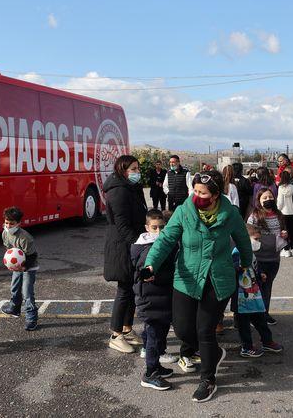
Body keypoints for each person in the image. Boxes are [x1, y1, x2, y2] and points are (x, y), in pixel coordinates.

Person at [143, 171, 253, 403]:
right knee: (183, 329)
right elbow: (166, 240)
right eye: (195, 190)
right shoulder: (184, 210)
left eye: (202, 192)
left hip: (217, 279)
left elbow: (243, 239)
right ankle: (213, 353)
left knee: (205, 330)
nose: (197, 196)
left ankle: (208, 379)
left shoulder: (230, 213)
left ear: (215, 195)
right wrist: (150, 264)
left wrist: (245, 263)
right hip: (187, 278)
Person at [104, 155, 147, 353]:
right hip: (123, 247)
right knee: (124, 290)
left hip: (131, 244)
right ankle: (115, 334)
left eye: (138, 168)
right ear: (122, 169)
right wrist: (140, 245)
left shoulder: (131, 188)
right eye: (133, 168)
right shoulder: (118, 191)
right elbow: (122, 225)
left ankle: (127, 329)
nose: (137, 172)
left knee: (130, 288)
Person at [131, 209, 176, 390]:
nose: (158, 232)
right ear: (147, 228)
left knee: (159, 336)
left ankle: (156, 365)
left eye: (162, 227)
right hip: (151, 302)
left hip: (160, 300)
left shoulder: (161, 244)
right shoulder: (146, 248)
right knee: (153, 338)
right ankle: (150, 373)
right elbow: (147, 270)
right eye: (154, 228)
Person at [234, 224, 283, 358]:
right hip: (241, 297)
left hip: (254, 294)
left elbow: (255, 267)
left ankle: (267, 341)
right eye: (256, 239)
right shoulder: (237, 252)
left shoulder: (252, 253)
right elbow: (234, 270)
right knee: (243, 323)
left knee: (260, 318)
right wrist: (240, 268)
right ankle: (246, 346)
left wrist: (259, 274)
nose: (258, 243)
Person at [247, 189, 286, 325]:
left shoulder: (279, 214)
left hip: (274, 257)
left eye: (270, 196)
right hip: (259, 258)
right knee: (257, 287)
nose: (268, 199)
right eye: (265, 197)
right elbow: (249, 233)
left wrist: (284, 235)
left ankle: (265, 313)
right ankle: (254, 316)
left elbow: (283, 231)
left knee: (267, 286)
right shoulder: (255, 215)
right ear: (259, 200)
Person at [0, 207, 40, 331]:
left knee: (27, 292)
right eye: (7, 223)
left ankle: (31, 317)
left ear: (18, 224)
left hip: (29, 266)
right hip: (17, 266)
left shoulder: (25, 238)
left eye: (12, 223)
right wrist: (12, 264)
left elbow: (33, 256)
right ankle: (15, 308)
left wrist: (24, 266)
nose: (8, 225)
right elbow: (9, 250)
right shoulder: (5, 233)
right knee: (14, 288)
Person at [276, 170, 293, 257]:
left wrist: (278, 209)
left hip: (283, 212)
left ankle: (286, 250)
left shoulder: (281, 187)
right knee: (291, 230)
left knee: (284, 231)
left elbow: (280, 201)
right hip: (291, 211)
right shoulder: (291, 187)